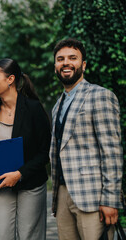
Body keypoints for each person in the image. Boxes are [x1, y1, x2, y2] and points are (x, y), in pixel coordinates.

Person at [50, 38, 124, 240]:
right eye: (60, 59)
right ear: (55, 65)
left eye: (72, 58)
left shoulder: (100, 96)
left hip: (93, 197)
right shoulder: (58, 106)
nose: (66, 63)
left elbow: (112, 152)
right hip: (63, 195)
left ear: (83, 65)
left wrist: (110, 200)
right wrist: (57, 199)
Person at [0, 58, 51, 240]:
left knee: (30, 235)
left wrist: (19, 174)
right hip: (1, 183)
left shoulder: (33, 108)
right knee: (2, 235)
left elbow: (46, 151)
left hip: (31, 183)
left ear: (10, 79)